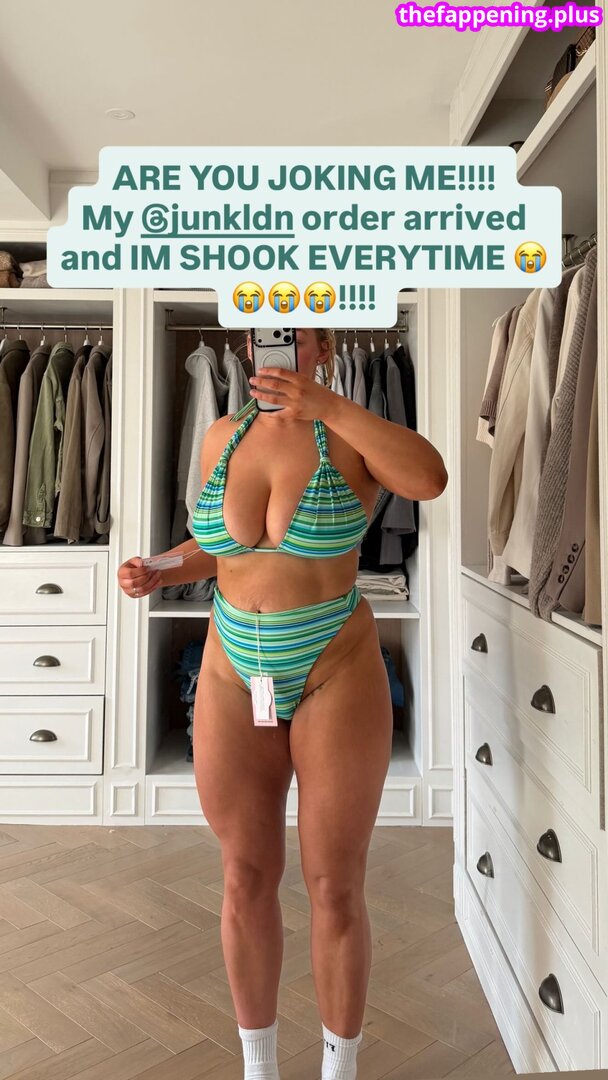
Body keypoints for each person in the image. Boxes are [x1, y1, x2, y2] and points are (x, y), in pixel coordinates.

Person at [118, 328, 447, 1080]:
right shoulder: (221, 437)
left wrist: (330, 407)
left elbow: (428, 479)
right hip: (232, 668)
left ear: (323, 347)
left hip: (335, 665)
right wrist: (161, 568)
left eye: (293, 333)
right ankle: (258, 1067)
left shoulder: (351, 430)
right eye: (264, 330)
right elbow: (219, 548)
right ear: (246, 344)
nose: (274, 345)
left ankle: (340, 1067)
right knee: (244, 874)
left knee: (334, 884)